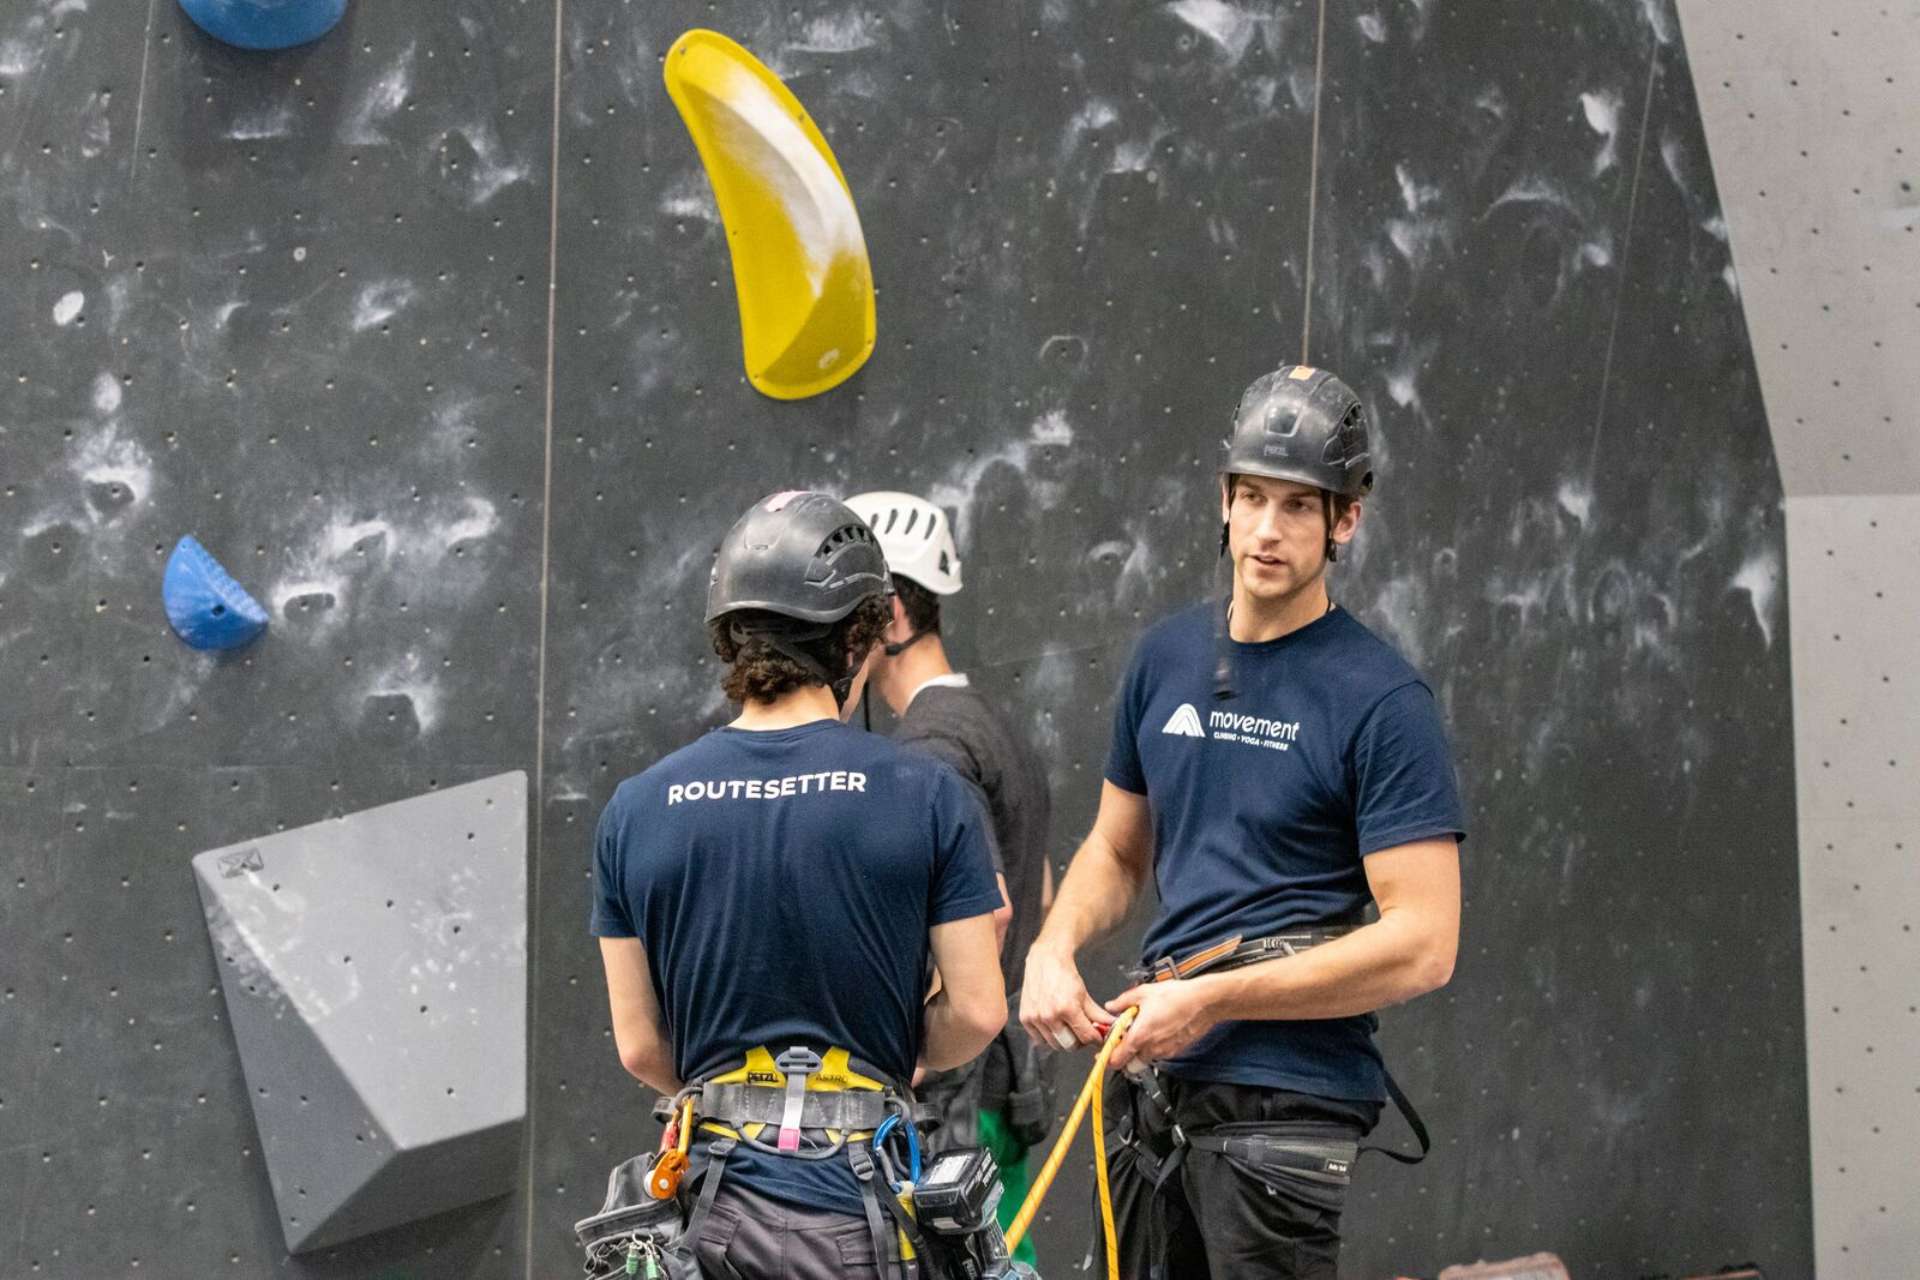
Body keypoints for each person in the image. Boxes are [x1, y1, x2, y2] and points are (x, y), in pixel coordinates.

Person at [1019, 365, 1466, 1279]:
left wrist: (1214, 998)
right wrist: (1052, 948)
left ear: (1347, 519)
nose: (1267, 530)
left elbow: (1426, 942)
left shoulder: (1382, 700)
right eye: (1251, 497)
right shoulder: (1166, 657)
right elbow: (1115, 847)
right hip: (1156, 1089)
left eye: (1300, 506)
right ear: (1222, 500)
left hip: (1286, 1106)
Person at [590, 490, 1007, 1279]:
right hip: (858, 1212)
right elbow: (979, 1009)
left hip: (705, 1211)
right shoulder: (924, 795)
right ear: (860, 636)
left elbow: (643, 1044)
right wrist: (874, 1056)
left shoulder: (636, 809)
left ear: (730, 637)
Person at [850, 490, 1056, 1269]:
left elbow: (995, 908)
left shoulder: (930, 747)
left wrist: (919, 1058)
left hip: (957, 1099)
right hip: (999, 1086)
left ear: (893, 616)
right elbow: (1032, 889)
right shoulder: (991, 725)